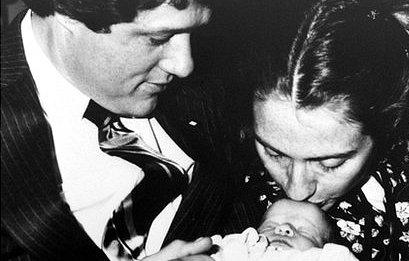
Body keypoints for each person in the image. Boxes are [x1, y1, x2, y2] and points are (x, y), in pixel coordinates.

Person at [1, 0, 249, 260]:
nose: (184, 66)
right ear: (68, 14)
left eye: (196, 31)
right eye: (157, 39)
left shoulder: (220, 74)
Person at [237, 0, 409, 260]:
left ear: (390, 125)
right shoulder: (233, 173)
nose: (296, 190)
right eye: (274, 153)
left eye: (331, 163)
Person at [210, 199, 358, 260]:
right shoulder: (240, 245)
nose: (283, 228)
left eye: (304, 232)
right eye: (270, 226)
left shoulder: (326, 257)